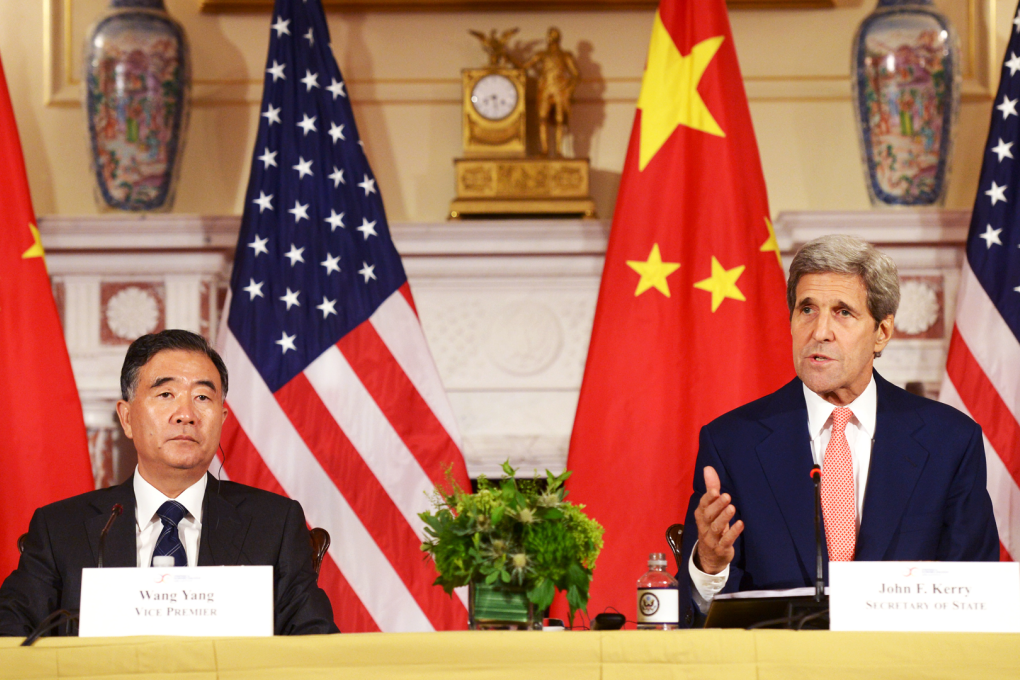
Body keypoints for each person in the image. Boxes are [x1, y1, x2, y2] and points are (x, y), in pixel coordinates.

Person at [678, 234, 998, 626]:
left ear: (882, 331)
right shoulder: (732, 442)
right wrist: (709, 567)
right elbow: (696, 616)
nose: (820, 331)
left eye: (843, 312)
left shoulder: (949, 441)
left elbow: (976, 595)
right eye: (807, 309)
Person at [0, 330, 338, 636]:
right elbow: (10, 633)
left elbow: (316, 643)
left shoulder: (274, 524)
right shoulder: (61, 529)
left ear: (221, 420)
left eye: (203, 398)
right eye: (165, 394)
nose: (186, 414)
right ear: (127, 417)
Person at [523, 27, 580, 157]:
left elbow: (576, 75)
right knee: (542, 119)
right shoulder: (542, 55)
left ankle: (559, 151)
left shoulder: (565, 56)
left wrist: (569, 90)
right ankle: (544, 150)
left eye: (552, 37)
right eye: (550, 36)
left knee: (559, 120)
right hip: (545, 90)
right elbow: (524, 66)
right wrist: (507, 57)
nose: (551, 39)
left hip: (559, 91)